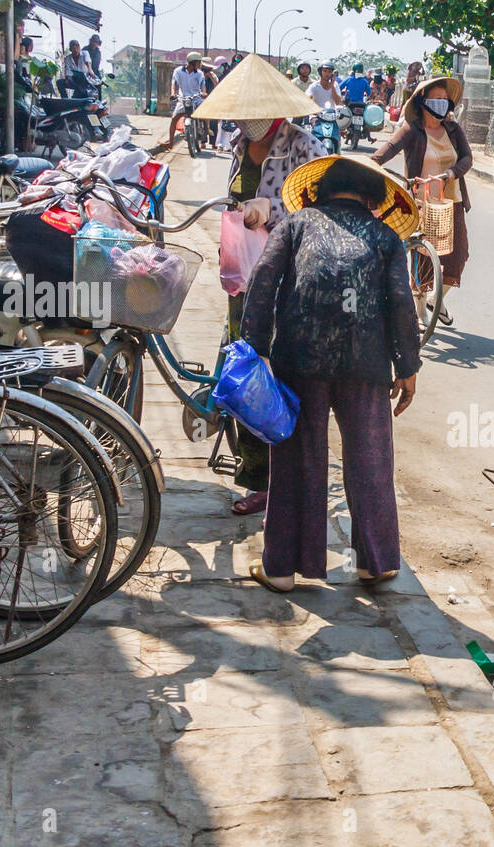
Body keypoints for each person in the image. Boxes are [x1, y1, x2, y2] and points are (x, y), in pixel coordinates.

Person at [241, 155, 422, 590]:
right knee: (371, 458)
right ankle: (377, 564)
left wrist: (254, 350)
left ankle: (282, 568)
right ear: (373, 198)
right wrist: (408, 366)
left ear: (321, 190)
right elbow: (402, 303)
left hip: (300, 359)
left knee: (297, 459)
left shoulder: (296, 224)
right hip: (367, 362)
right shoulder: (384, 237)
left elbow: (262, 283)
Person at [192, 52, 326, 514]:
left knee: (275, 373)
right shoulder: (235, 145)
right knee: (244, 367)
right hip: (243, 277)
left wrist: (277, 213)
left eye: (256, 112)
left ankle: (281, 479)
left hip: (286, 281)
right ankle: (254, 475)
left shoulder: (304, 146)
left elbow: (322, 212)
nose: (248, 120)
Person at [372, 76, 473, 318]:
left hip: (452, 201)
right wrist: (368, 168)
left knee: (459, 255)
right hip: (420, 202)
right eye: (435, 99)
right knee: (423, 257)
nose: (440, 103)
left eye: (444, 100)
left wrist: (451, 173)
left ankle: (434, 299)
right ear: (422, 102)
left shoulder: (453, 129)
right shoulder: (411, 130)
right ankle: (419, 310)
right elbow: (383, 154)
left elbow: (467, 159)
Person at [159, 52, 215, 150]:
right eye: (198, 63)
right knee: (174, 119)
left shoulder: (200, 73)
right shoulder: (178, 71)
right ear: (192, 63)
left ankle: (207, 128)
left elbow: (202, 85)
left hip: (196, 98)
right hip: (183, 99)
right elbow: (174, 84)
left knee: (204, 112)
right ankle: (170, 143)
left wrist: (204, 92)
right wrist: (173, 93)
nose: (200, 65)